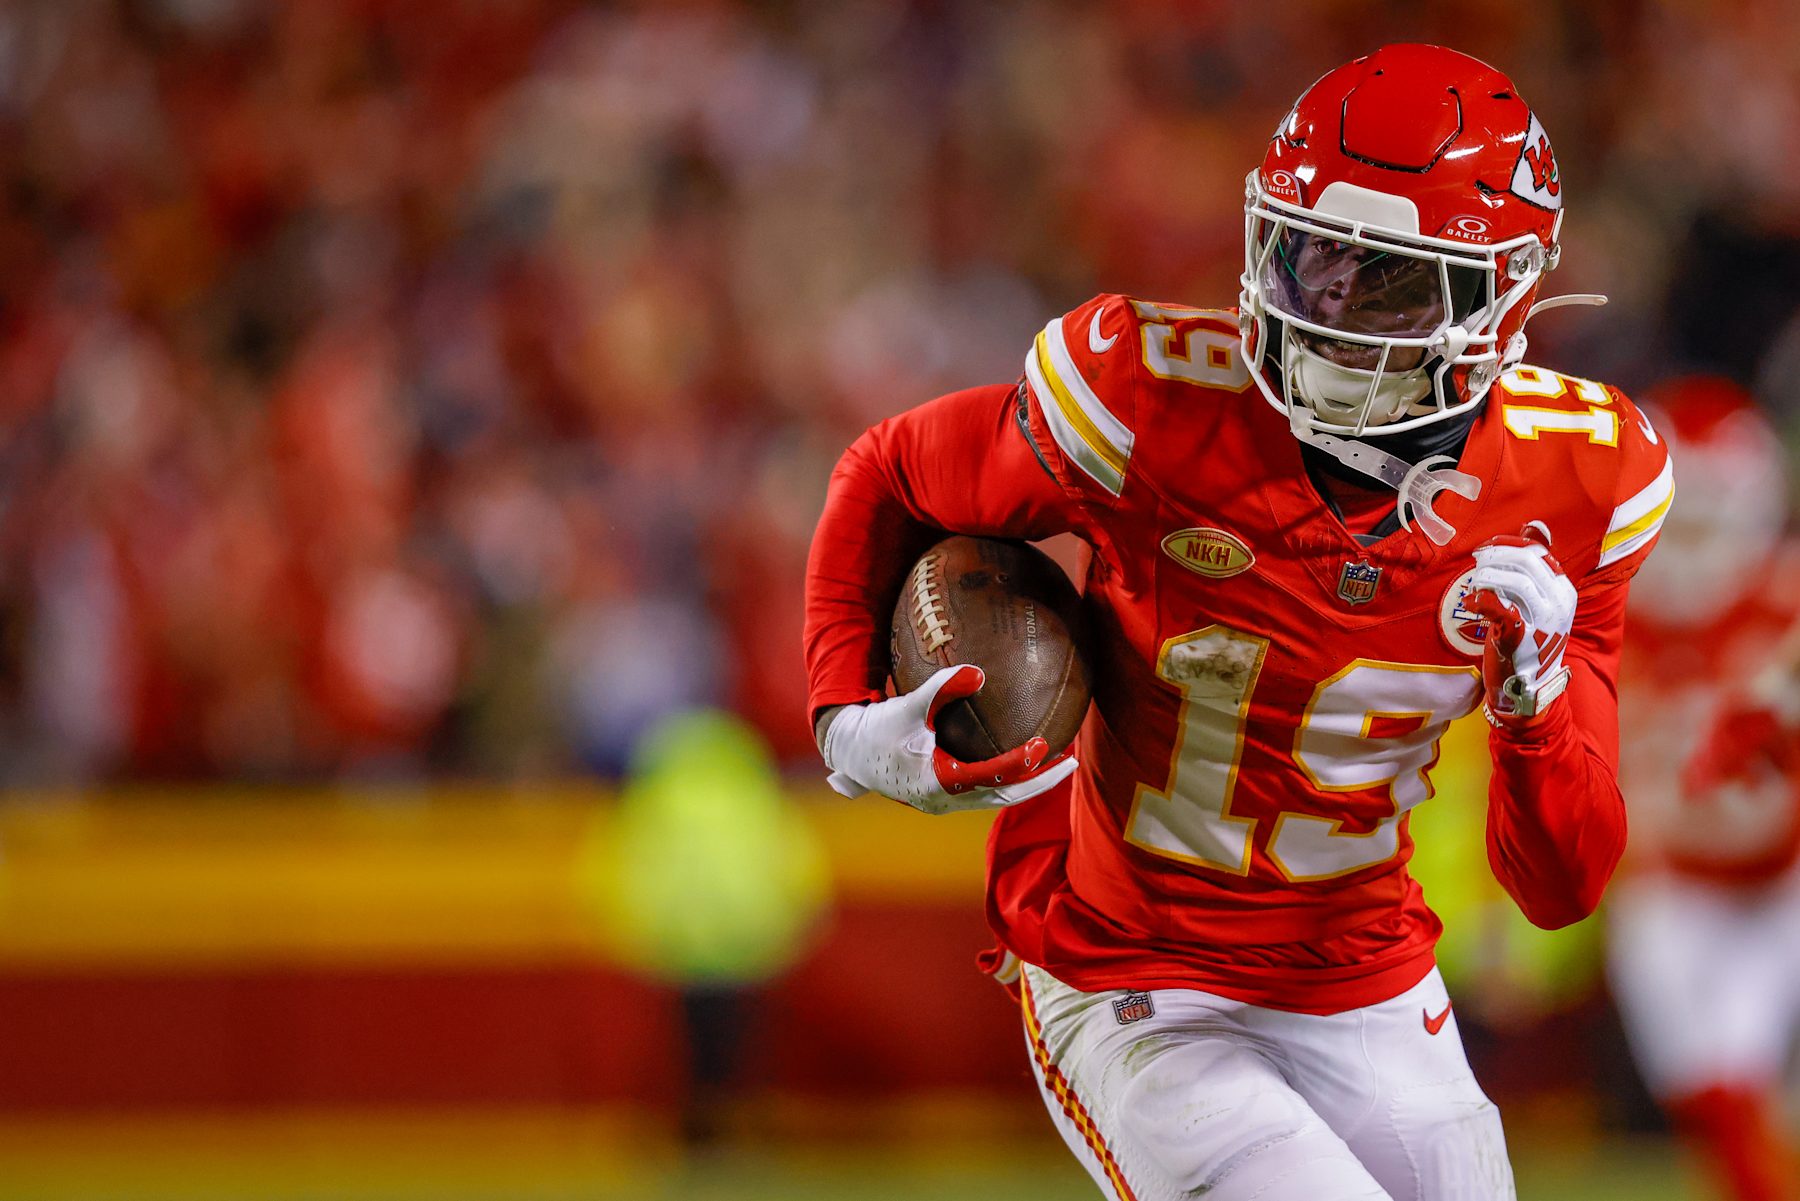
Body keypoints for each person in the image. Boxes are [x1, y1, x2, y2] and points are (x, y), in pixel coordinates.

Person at [803, 44, 1669, 1200]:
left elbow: (1560, 886)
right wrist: (840, 718)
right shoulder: (1145, 402)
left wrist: (1534, 700)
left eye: (1392, 282)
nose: (1331, 312)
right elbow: (892, 471)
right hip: (1132, 970)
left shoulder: (1580, 482)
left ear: (1503, 294)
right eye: (1313, 261)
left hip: (1366, 971)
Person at [1605, 377, 1800, 1201]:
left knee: (1734, 1067)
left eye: (1706, 523)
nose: (1688, 552)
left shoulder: (1782, 596)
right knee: (1698, 1080)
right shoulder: (1599, 603)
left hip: (1782, 877)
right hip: (1671, 875)